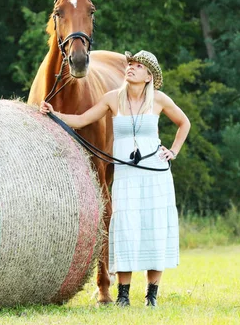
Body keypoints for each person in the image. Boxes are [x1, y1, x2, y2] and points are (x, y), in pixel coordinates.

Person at [40, 50, 190, 307]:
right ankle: (123, 294)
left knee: (153, 228)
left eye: (138, 66)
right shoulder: (112, 99)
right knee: (125, 228)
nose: (130, 67)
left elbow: (184, 123)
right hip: (127, 174)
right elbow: (82, 120)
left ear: (149, 76)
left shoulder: (159, 100)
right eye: (130, 64)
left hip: (155, 172)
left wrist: (173, 151)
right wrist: (54, 114)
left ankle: (151, 295)